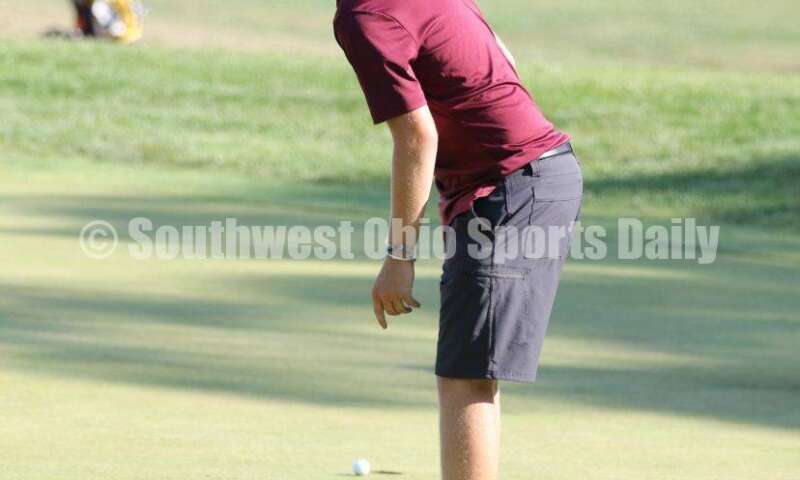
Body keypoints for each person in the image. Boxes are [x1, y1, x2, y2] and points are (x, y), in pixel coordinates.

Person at [333, 0, 583, 479]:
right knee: (471, 373)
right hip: (526, 180)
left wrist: (400, 256)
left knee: (466, 377)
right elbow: (501, 57)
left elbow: (416, 139)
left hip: (512, 187)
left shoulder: (365, 17)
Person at [46, 0, 144, 44]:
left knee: (96, 7)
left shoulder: (100, 5)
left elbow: (116, 30)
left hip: (124, 38)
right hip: (133, 35)